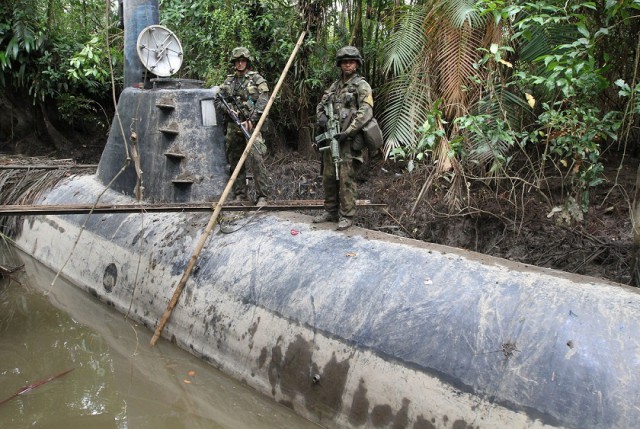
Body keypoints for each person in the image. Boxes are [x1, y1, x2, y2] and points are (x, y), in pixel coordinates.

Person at [313, 46, 374, 230]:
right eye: (344, 62)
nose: (348, 65)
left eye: (351, 61)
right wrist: (321, 117)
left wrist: (349, 132)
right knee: (329, 176)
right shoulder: (335, 86)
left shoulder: (361, 85)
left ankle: (347, 215)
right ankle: (331, 211)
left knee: (346, 178)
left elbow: (366, 111)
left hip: (348, 140)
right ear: (340, 64)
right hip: (332, 138)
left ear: (356, 64)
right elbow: (321, 106)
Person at [215, 47, 271, 205]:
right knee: (234, 159)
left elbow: (263, 100)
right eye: (237, 61)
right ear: (234, 63)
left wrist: (252, 119)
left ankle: (262, 196)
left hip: (251, 125)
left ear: (247, 62)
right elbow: (218, 100)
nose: (240, 64)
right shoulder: (228, 82)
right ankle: (240, 194)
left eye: (243, 61)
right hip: (234, 125)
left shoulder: (256, 79)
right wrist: (228, 110)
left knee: (256, 158)